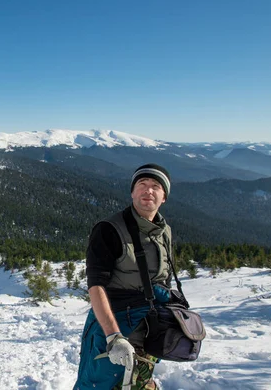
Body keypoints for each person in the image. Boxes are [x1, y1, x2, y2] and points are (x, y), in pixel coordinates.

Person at [73, 164, 173, 390]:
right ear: (132, 192)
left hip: (150, 325)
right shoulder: (109, 229)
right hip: (116, 321)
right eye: (142, 185)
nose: (148, 191)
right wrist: (112, 336)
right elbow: (95, 285)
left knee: (141, 381)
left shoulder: (163, 231)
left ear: (164, 196)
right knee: (100, 383)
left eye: (155, 186)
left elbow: (162, 278)